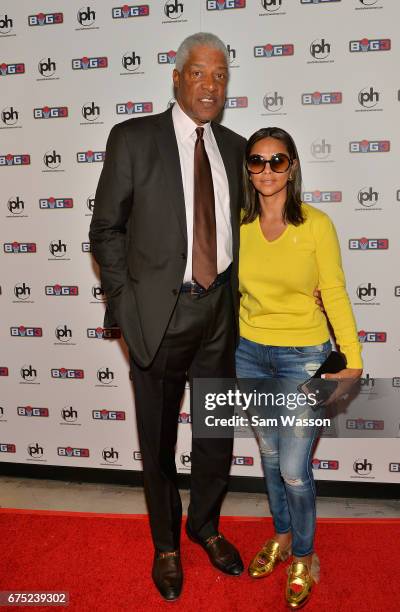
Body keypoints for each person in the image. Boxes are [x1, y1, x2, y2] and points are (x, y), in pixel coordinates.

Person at [89, 32, 246, 601]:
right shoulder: (133, 139)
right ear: (177, 77)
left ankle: (204, 526)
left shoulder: (235, 146)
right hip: (159, 314)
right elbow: (105, 229)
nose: (211, 85)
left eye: (221, 75)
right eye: (200, 73)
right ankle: (166, 545)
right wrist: (122, 307)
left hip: (220, 315)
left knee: (214, 436)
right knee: (157, 443)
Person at [235, 127, 363, 608]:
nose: (267, 170)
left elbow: (333, 291)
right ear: (247, 168)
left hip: (303, 357)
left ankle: (305, 556)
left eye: (278, 160)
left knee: (293, 468)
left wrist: (350, 356)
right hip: (248, 353)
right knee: (269, 456)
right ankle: (283, 536)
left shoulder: (316, 224)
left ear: (292, 167)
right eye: (257, 160)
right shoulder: (238, 225)